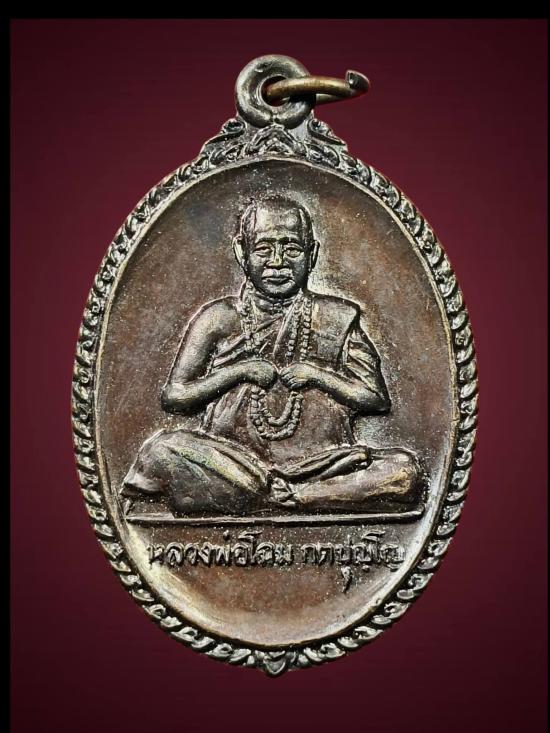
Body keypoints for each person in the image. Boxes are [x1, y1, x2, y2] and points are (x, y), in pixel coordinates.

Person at [121, 195, 424, 515]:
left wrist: (317, 375)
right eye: (264, 248)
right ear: (242, 252)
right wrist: (238, 371)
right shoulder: (218, 318)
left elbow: (375, 398)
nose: (277, 262)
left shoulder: (337, 317)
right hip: (232, 463)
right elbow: (175, 396)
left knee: (404, 471)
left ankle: (287, 496)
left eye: (291, 249)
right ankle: (286, 494)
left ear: (312, 254)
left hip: (323, 465)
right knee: (161, 450)